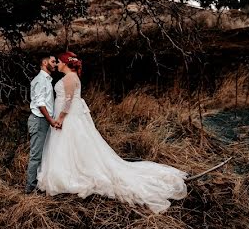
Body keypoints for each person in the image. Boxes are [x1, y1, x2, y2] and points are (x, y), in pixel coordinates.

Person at [37, 51, 187, 213]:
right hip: (71, 117)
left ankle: (71, 173)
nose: (57, 64)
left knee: (72, 144)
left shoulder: (70, 78)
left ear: (66, 62)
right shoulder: (70, 77)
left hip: (69, 118)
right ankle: (68, 170)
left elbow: (68, 101)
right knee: (69, 146)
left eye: (59, 62)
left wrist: (59, 118)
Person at [25, 55, 59, 194]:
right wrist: (50, 120)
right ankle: (30, 189)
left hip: (43, 120)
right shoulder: (40, 80)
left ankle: (39, 184)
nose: (55, 64)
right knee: (36, 155)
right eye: (52, 61)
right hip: (39, 120)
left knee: (43, 154)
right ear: (44, 62)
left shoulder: (47, 80)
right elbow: (40, 103)